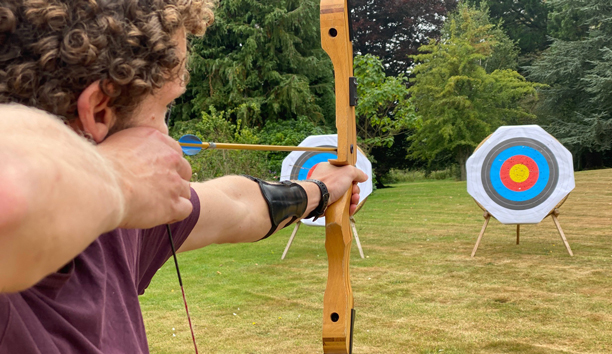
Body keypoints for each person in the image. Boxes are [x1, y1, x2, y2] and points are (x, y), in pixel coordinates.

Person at [0, 0, 368, 352]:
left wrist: (320, 190)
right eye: (166, 107)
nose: (168, 136)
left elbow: (238, 205)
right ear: (98, 110)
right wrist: (121, 177)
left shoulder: (118, 226)